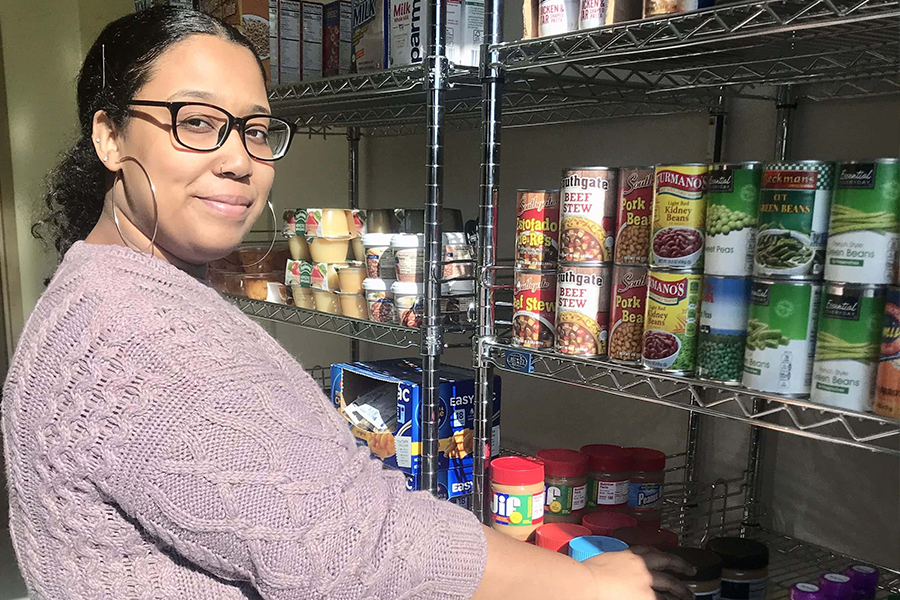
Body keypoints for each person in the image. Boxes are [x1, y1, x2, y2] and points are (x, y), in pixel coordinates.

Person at [1, 7, 693, 600]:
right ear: (110, 136)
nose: (239, 159)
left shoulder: (95, 286)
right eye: (197, 122)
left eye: (255, 129)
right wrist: (586, 585)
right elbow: (350, 547)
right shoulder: (145, 335)